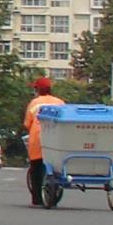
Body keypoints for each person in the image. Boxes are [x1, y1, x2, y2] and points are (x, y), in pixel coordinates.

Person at [22, 76, 66, 206]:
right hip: (56, 140)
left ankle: (37, 199)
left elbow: (27, 123)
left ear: (37, 90)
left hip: (38, 139)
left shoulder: (34, 103)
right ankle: (54, 192)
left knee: (36, 168)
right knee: (57, 168)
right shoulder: (60, 102)